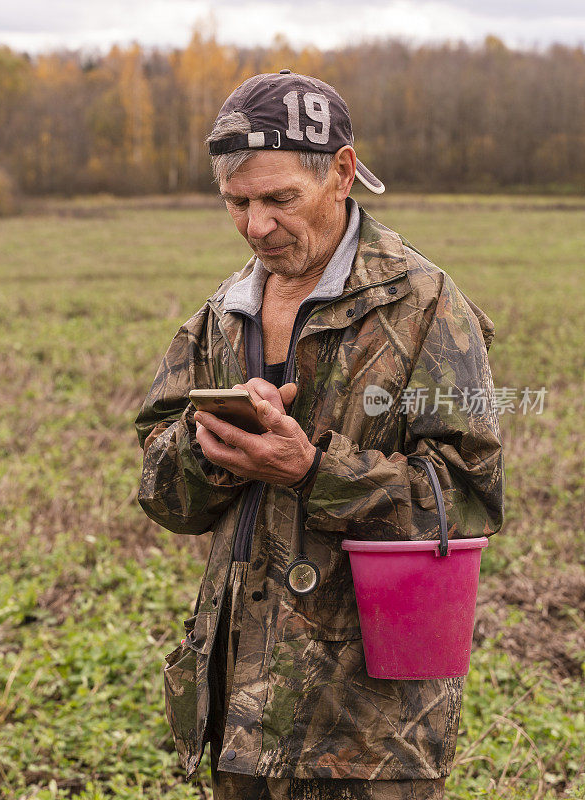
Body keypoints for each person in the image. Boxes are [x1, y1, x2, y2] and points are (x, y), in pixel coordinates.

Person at [135, 70, 504, 800]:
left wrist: (309, 469)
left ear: (341, 174)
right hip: (241, 723)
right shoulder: (220, 317)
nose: (255, 226)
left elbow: (467, 501)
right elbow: (162, 496)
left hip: (372, 737)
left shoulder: (424, 305)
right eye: (236, 202)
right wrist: (214, 456)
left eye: (278, 199)